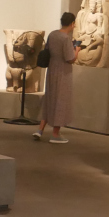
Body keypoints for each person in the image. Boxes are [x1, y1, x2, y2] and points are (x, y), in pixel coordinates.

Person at [34, 11, 78, 143]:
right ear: (72, 24)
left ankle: (40, 130)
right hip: (63, 72)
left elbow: (49, 49)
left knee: (50, 99)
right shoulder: (66, 38)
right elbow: (70, 58)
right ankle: (55, 134)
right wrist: (77, 50)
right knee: (60, 101)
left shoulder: (52, 34)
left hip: (52, 69)